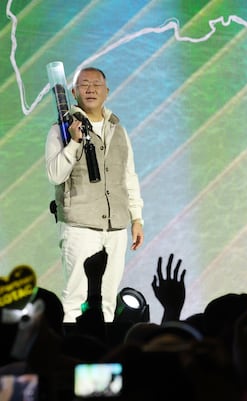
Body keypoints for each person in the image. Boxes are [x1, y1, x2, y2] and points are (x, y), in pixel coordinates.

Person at [45, 66, 144, 323]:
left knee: (108, 301)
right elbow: (55, 175)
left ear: (106, 91)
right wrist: (74, 142)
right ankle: (75, 346)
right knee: (77, 300)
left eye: (96, 84)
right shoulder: (61, 130)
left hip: (115, 227)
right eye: (84, 84)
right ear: (73, 92)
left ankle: (105, 345)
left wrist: (136, 218)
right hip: (80, 227)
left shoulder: (117, 129)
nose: (91, 89)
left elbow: (129, 176)